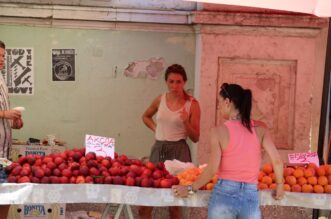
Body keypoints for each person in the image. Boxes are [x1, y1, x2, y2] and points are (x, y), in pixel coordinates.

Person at [172, 83, 284, 219]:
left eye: (219, 102)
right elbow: (277, 161)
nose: (218, 106)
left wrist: (189, 189)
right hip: (250, 195)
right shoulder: (260, 130)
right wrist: (279, 185)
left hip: (224, 195)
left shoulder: (218, 132)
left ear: (227, 102)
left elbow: (212, 169)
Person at [140, 64, 200, 219]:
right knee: (147, 199)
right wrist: (156, 130)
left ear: (184, 82)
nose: (175, 85)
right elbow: (145, 116)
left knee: (175, 202)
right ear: (166, 82)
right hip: (158, 149)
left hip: (179, 150)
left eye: (178, 82)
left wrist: (186, 122)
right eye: (171, 81)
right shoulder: (160, 99)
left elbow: (196, 137)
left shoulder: (192, 104)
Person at [0, 40, 24, 219]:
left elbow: (4, 113)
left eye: (3, 56)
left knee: (6, 195)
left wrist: (14, 120)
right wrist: (4, 114)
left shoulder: (2, 80)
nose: (2, 59)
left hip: (4, 153)